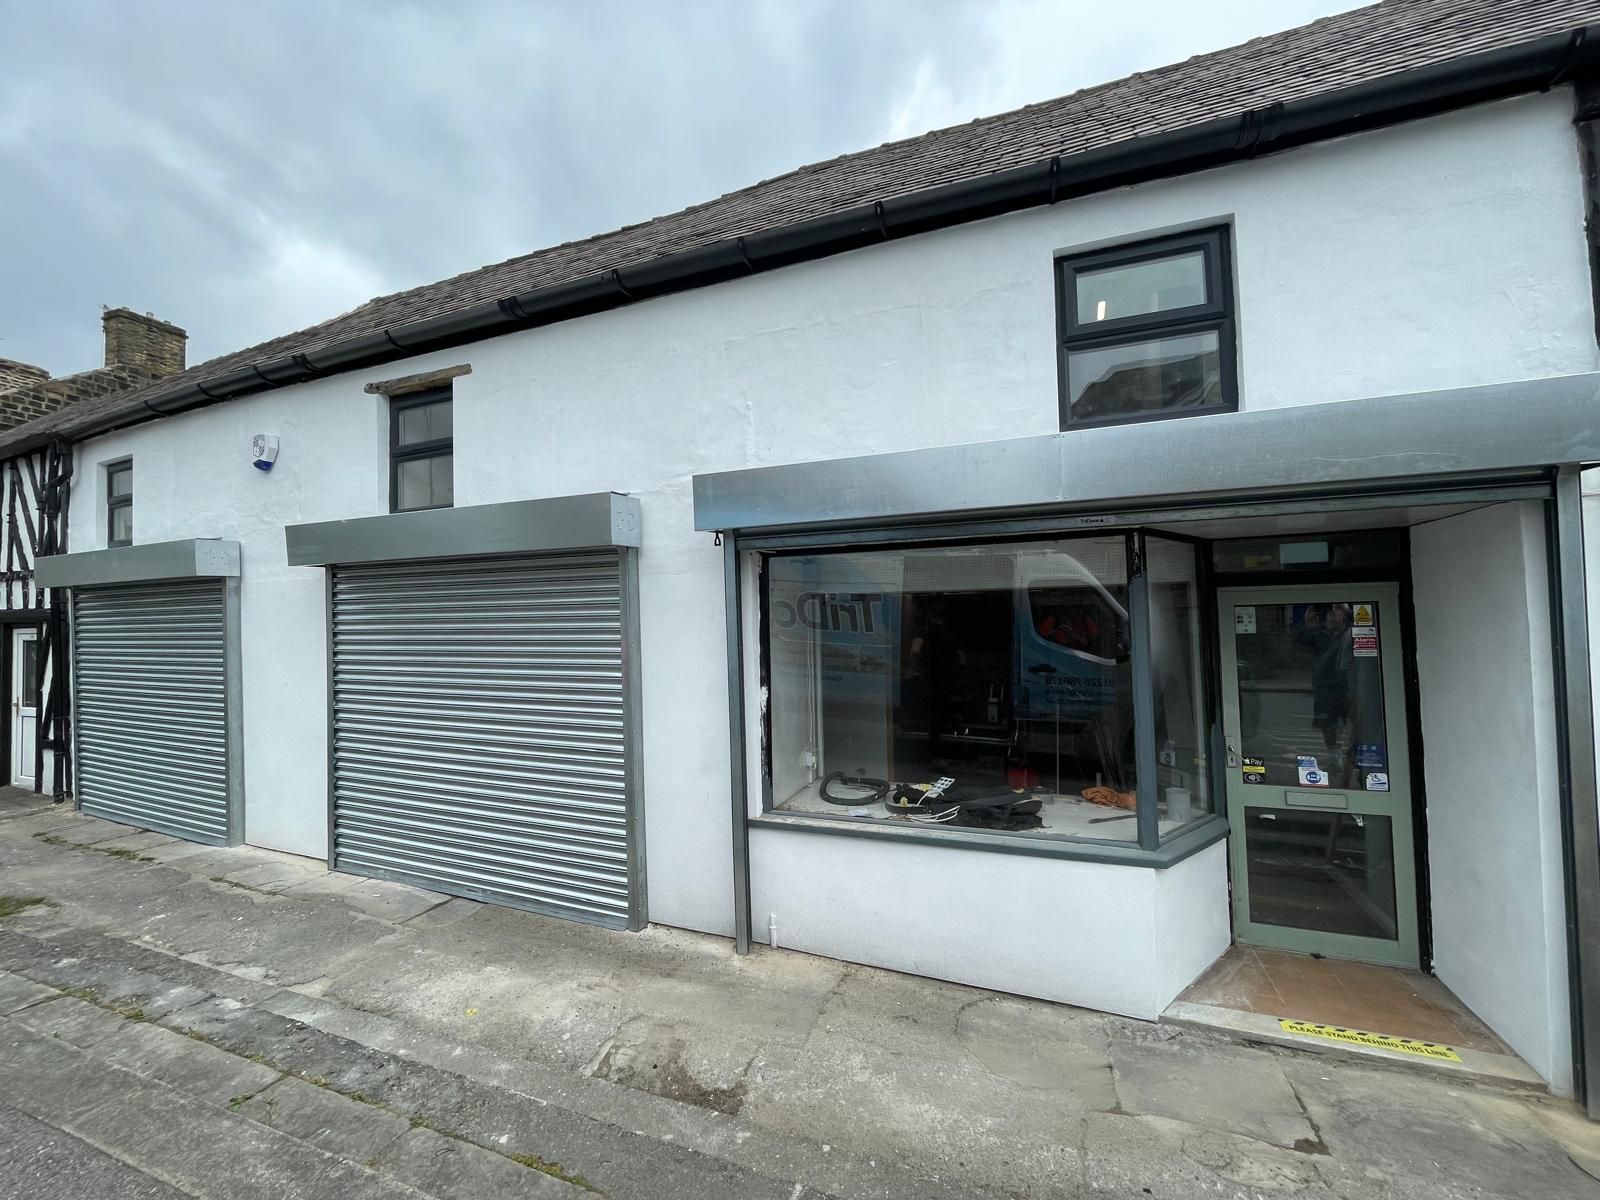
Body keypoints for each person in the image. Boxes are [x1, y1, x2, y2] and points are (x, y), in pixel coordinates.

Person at [1295, 603, 1355, 764]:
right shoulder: (1319, 632)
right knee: (1327, 725)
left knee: (1355, 723)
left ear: (1343, 615)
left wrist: (1348, 610)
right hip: (1325, 688)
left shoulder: (1351, 632)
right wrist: (1306, 624)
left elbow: (1370, 626)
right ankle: (1334, 758)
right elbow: (1300, 642)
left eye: (1336, 612)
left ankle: (1353, 759)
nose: (1331, 615)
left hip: (1348, 688)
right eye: (1329, 613)